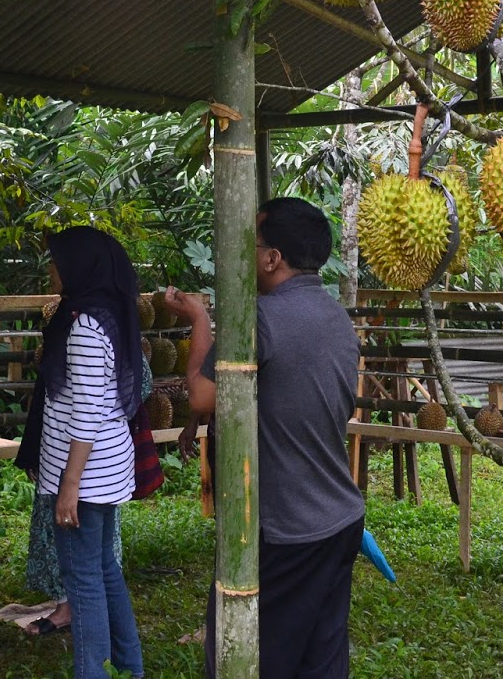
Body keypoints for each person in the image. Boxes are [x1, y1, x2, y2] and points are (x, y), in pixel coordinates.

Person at [166, 197, 365, 679]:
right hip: (341, 517)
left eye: (249, 245)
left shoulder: (260, 320)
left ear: (273, 257)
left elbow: (199, 396)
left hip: (287, 529)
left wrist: (198, 320)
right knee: (320, 661)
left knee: (250, 658)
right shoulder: (336, 315)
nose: (242, 256)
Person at [27, 227, 144, 679]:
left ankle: (92, 671)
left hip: (86, 475)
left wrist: (67, 488)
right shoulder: (108, 312)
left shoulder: (84, 327)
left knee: (84, 583)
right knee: (104, 570)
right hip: (107, 468)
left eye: (57, 262)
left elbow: (87, 414)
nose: (51, 270)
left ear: (80, 267)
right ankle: (131, 666)